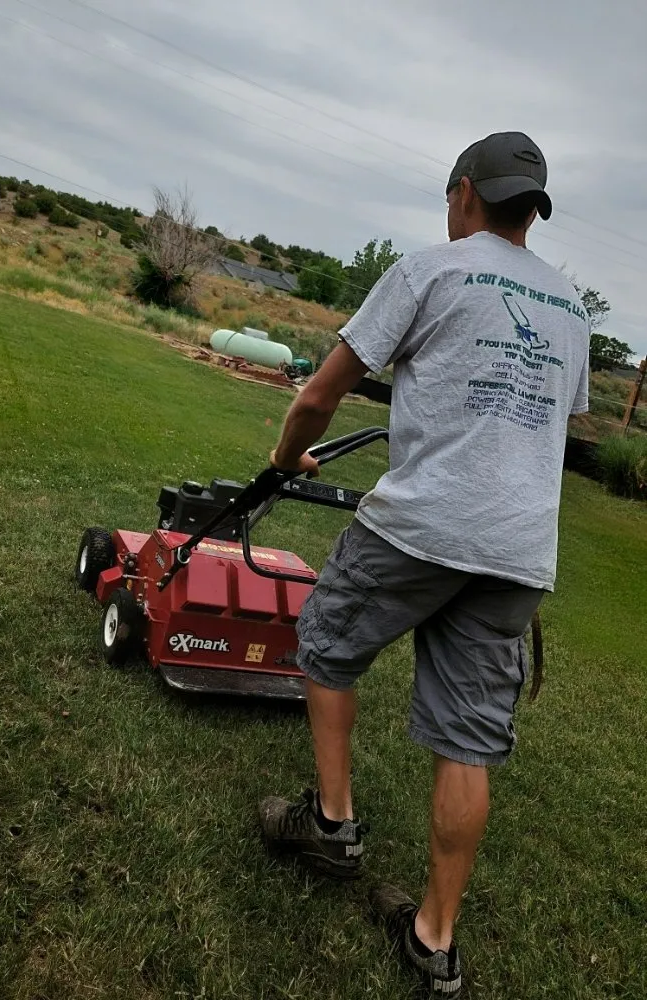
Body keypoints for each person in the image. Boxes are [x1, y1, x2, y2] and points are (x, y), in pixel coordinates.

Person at [257, 132, 590, 998]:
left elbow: (320, 394)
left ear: (464, 193)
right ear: (533, 209)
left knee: (327, 638)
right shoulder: (570, 310)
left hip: (421, 527)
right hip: (517, 553)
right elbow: (550, 425)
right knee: (467, 741)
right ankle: (434, 941)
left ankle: (332, 825)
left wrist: (290, 457)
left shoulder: (429, 270)